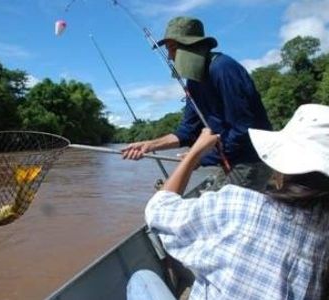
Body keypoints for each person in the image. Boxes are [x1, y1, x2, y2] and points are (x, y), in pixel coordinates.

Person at [127, 103, 329, 299]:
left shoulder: (237, 204)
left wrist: (195, 153)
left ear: (282, 164)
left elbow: (157, 209)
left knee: (141, 279)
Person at [122, 16, 272, 191]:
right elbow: (187, 131)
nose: (169, 57)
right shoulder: (194, 81)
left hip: (251, 159)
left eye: (172, 49)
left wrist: (201, 158)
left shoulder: (223, 69)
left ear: (191, 46)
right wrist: (149, 145)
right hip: (229, 161)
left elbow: (243, 129)